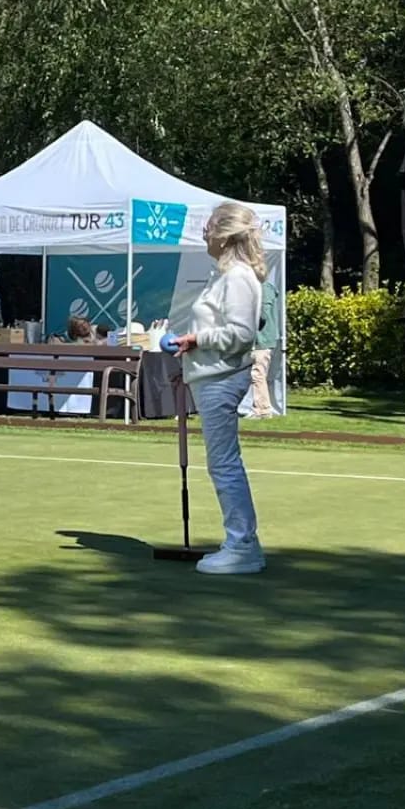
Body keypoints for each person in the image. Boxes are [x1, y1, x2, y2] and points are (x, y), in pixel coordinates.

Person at [170, 202, 267, 575]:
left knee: (224, 464)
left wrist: (196, 339)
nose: (204, 233)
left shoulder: (238, 276)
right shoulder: (223, 274)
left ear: (225, 235)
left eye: (209, 227)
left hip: (222, 379)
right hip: (209, 377)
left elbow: (242, 334)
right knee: (222, 463)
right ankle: (242, 542)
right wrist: (189, 360)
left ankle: (242, 545)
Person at [244, 278, 281, 419]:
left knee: (258, 375)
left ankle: (263, 410)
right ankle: (259, 408)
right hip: (258, 340)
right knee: (257, 375)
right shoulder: (259, 288)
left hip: (262, 340)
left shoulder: (265, 289)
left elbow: (262, 316)